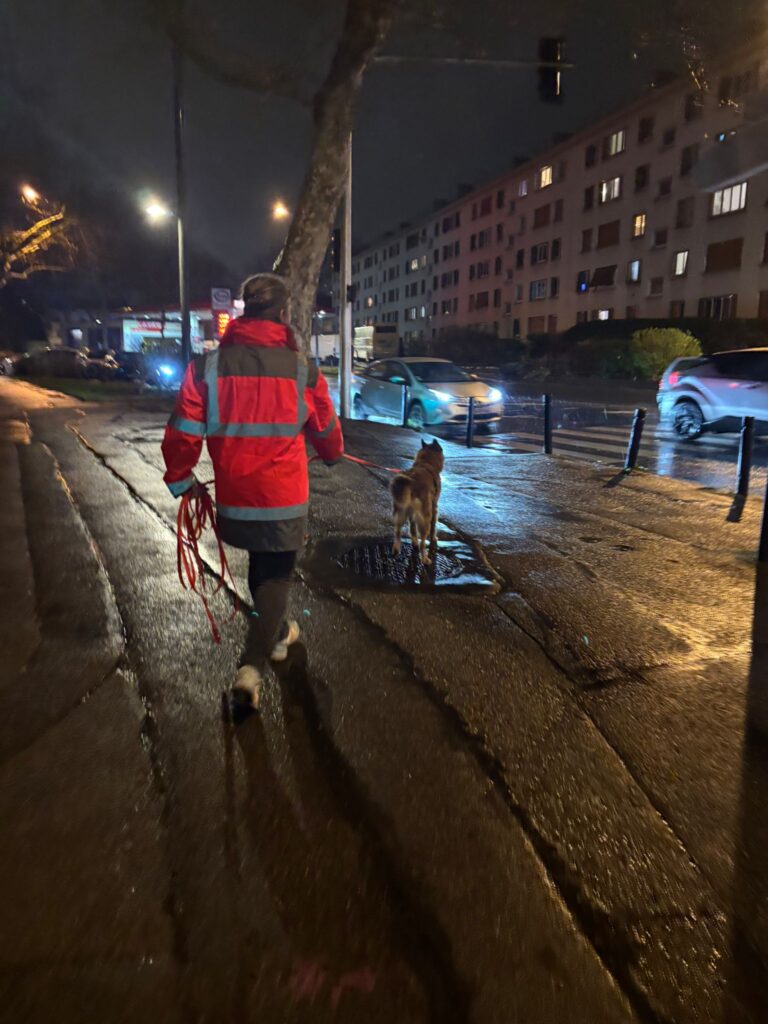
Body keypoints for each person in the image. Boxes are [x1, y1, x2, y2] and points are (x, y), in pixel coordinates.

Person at [161, 273, 344, 709]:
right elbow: (327, 434)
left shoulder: (206, 368)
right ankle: (250, 669)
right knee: (275, 575)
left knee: (262, 570)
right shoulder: (302, 369)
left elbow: (183, 431)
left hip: (236, 499)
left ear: (246, 310)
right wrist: (332, 453)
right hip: (284, 497)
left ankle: (277, 633)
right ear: (283, 313)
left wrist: (182, 480)